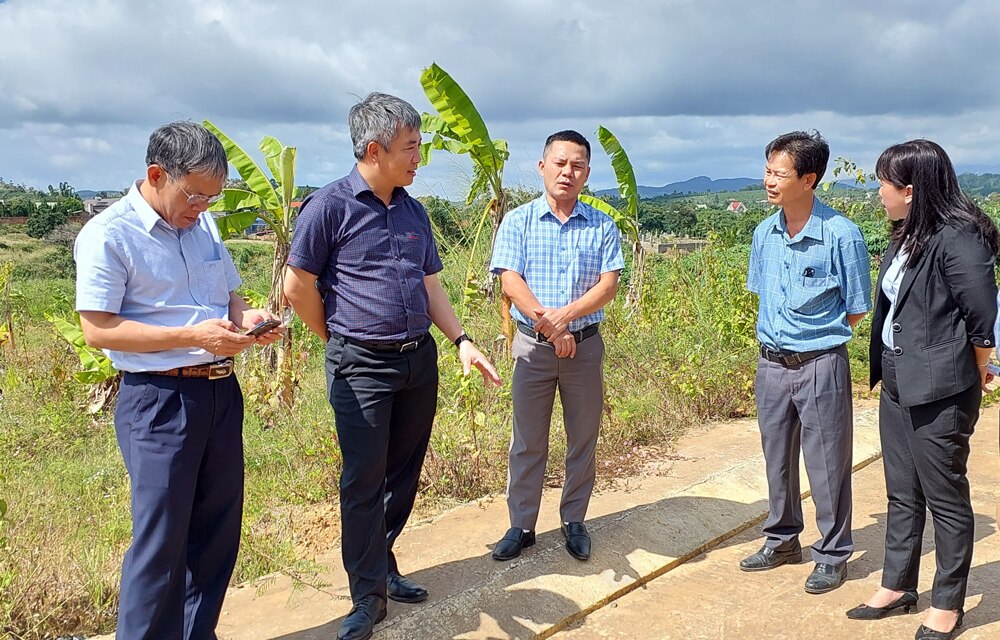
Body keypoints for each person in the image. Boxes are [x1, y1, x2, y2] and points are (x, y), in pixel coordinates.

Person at [283, 92, 501, 640]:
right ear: (374, 149)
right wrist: (336, 337)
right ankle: (366, 598)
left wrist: (460, 339)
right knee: (363, 480)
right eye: (410, 147)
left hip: (416, 361)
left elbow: (430, 285)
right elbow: (296, 286)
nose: (418, 158)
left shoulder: (411, 209)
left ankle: (382, 562)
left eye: (420, 146)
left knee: (403, 473)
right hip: (361, 366)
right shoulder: (328, 208)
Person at [74, 121, 283, 639]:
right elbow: (98, 329)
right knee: (161, 542)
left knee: (216, 531)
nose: (202, 208)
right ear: (155, 174)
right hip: (160, 400)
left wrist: (248, 319)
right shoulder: (110, 234)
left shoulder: (204, 226)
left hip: (218, 393)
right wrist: (193, 336)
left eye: (212, 198)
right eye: (194, 195)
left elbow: (229, 297)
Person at [846, 140, 998, 640]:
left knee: (945, 498)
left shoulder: (960, 238)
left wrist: (978, 369)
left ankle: (948, 603)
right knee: (902, 491)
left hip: (941, 388)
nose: (879, 194)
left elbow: (982, 320)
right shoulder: (909, 233)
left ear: (909, 191)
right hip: (897, 378)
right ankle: (898, 584)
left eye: (884, 184)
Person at [740, 130, 872, 594]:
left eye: (780, 173)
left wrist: (816, 343)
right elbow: (763, 297)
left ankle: (833, 552)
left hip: (820, 364)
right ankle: (782, 540)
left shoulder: (840, 234)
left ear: (809, 179)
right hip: (771, 365)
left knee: (828, 463)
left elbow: (857, 307)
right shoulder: (764, 233)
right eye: (768, 170)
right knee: (776, 459)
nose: (769, 181)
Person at [488, 130, 624, 563]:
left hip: (583, 349)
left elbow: (608, 287)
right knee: (528, 439)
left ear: (587, 173)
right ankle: (522, 525)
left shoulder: (603, 224)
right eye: (560, 163)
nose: (568, 172)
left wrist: (564, 319)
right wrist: (552, 328)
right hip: (533, 348)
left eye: (577, 165)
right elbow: (510, 280)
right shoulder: (519, 221)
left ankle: (574, 521)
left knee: (583, 437)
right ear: (543, 167)